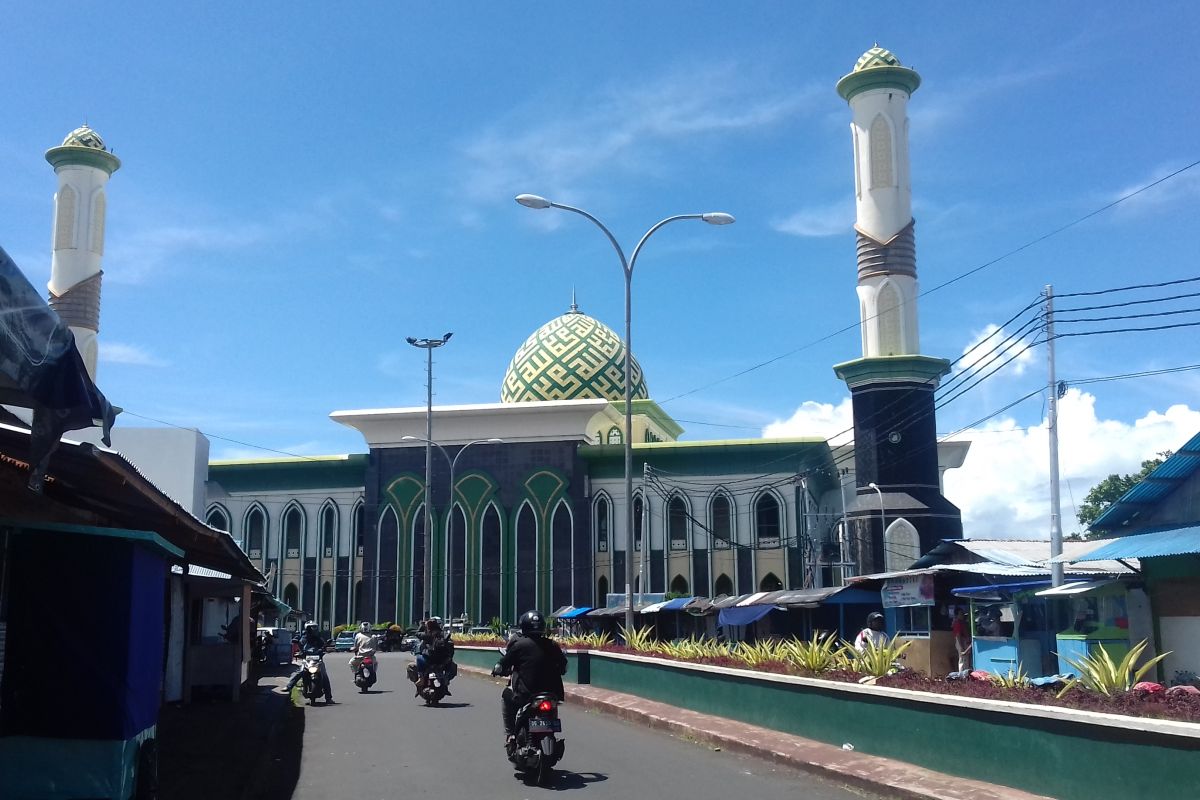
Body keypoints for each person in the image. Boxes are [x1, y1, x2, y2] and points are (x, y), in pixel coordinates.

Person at [491, 609, 567, 749]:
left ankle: (510, 734)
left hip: (526, 693)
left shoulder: (519, 645)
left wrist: (498, 668)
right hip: (552, 693)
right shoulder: (553, 646)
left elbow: (503, 663)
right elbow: (563, 667)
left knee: (506, 696)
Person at [284, 622, 334, 703]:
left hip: (318, 660)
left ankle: (329, 698)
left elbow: (324, 646)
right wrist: (300, 652)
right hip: (306, 660)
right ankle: (289, 686)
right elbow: (299, 646)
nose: (313, 630)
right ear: (307, 629)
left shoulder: (319, 638)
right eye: (311, 628)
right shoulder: (303, 638)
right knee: (299, 672)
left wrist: (324, 649)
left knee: (324, 676)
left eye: (314, 628)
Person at [952, 607, 972, 672]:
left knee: (966, 660)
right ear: (957, 615)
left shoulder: (962, 622)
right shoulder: (957, 623)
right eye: (960, 614)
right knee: (963, 659)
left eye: (962, 613)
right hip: (961, 641)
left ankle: (965, 674)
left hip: (964, 641)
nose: (962, 615)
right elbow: (958, 636)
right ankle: (962, 675)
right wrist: (961, 647)